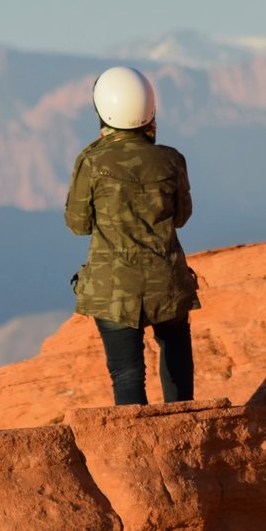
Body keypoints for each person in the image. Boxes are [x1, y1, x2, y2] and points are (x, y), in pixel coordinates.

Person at [65, 65, 199, 405]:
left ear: (102, 111)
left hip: (113, 289)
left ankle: (138, 449)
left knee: (126, 373)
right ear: (150, 109)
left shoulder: (92, 161)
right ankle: (187, 434)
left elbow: (77, 223)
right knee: (177, 362)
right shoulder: (171, 160)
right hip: (167, 282)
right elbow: (181, 218)